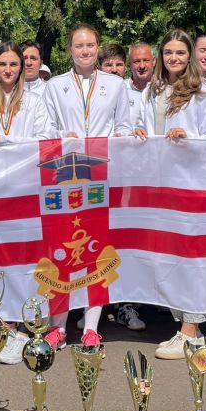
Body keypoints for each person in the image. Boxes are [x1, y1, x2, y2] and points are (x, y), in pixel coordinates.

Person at [43, 23, 135, 350]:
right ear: (69, 49)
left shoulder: (116, 84)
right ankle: (57, 326)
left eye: (90, 45)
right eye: (79, 45)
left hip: (101, 176)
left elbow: (124, 127)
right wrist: (60, 138)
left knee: (97, 252)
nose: (85, 51)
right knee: (61, 252)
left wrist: (121, 138)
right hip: (63, 177)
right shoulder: (54, 86)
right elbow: (45, 130)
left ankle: (92, 327)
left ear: (98, 48)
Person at [0, 43, 54, 364]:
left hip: (26, 190)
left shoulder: (35, 101)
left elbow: (45, 142)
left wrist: (4, 140)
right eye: (2, 64)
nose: (8, 69)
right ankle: (7, 323)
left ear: (21, 67)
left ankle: (28, 326)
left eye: (13, 64)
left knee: (29, 257)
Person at [141, 29, 206, 359]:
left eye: (180, 53)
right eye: (168, 53)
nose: (173, 58)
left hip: (191, 184)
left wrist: (188, 137)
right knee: (168, 258)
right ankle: (190, 330)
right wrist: (139, 133)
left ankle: (190, 331)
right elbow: (148, 128)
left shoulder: (202, 94)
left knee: (191, 257)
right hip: (161, 184)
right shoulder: (153, 90)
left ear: (189, 57)